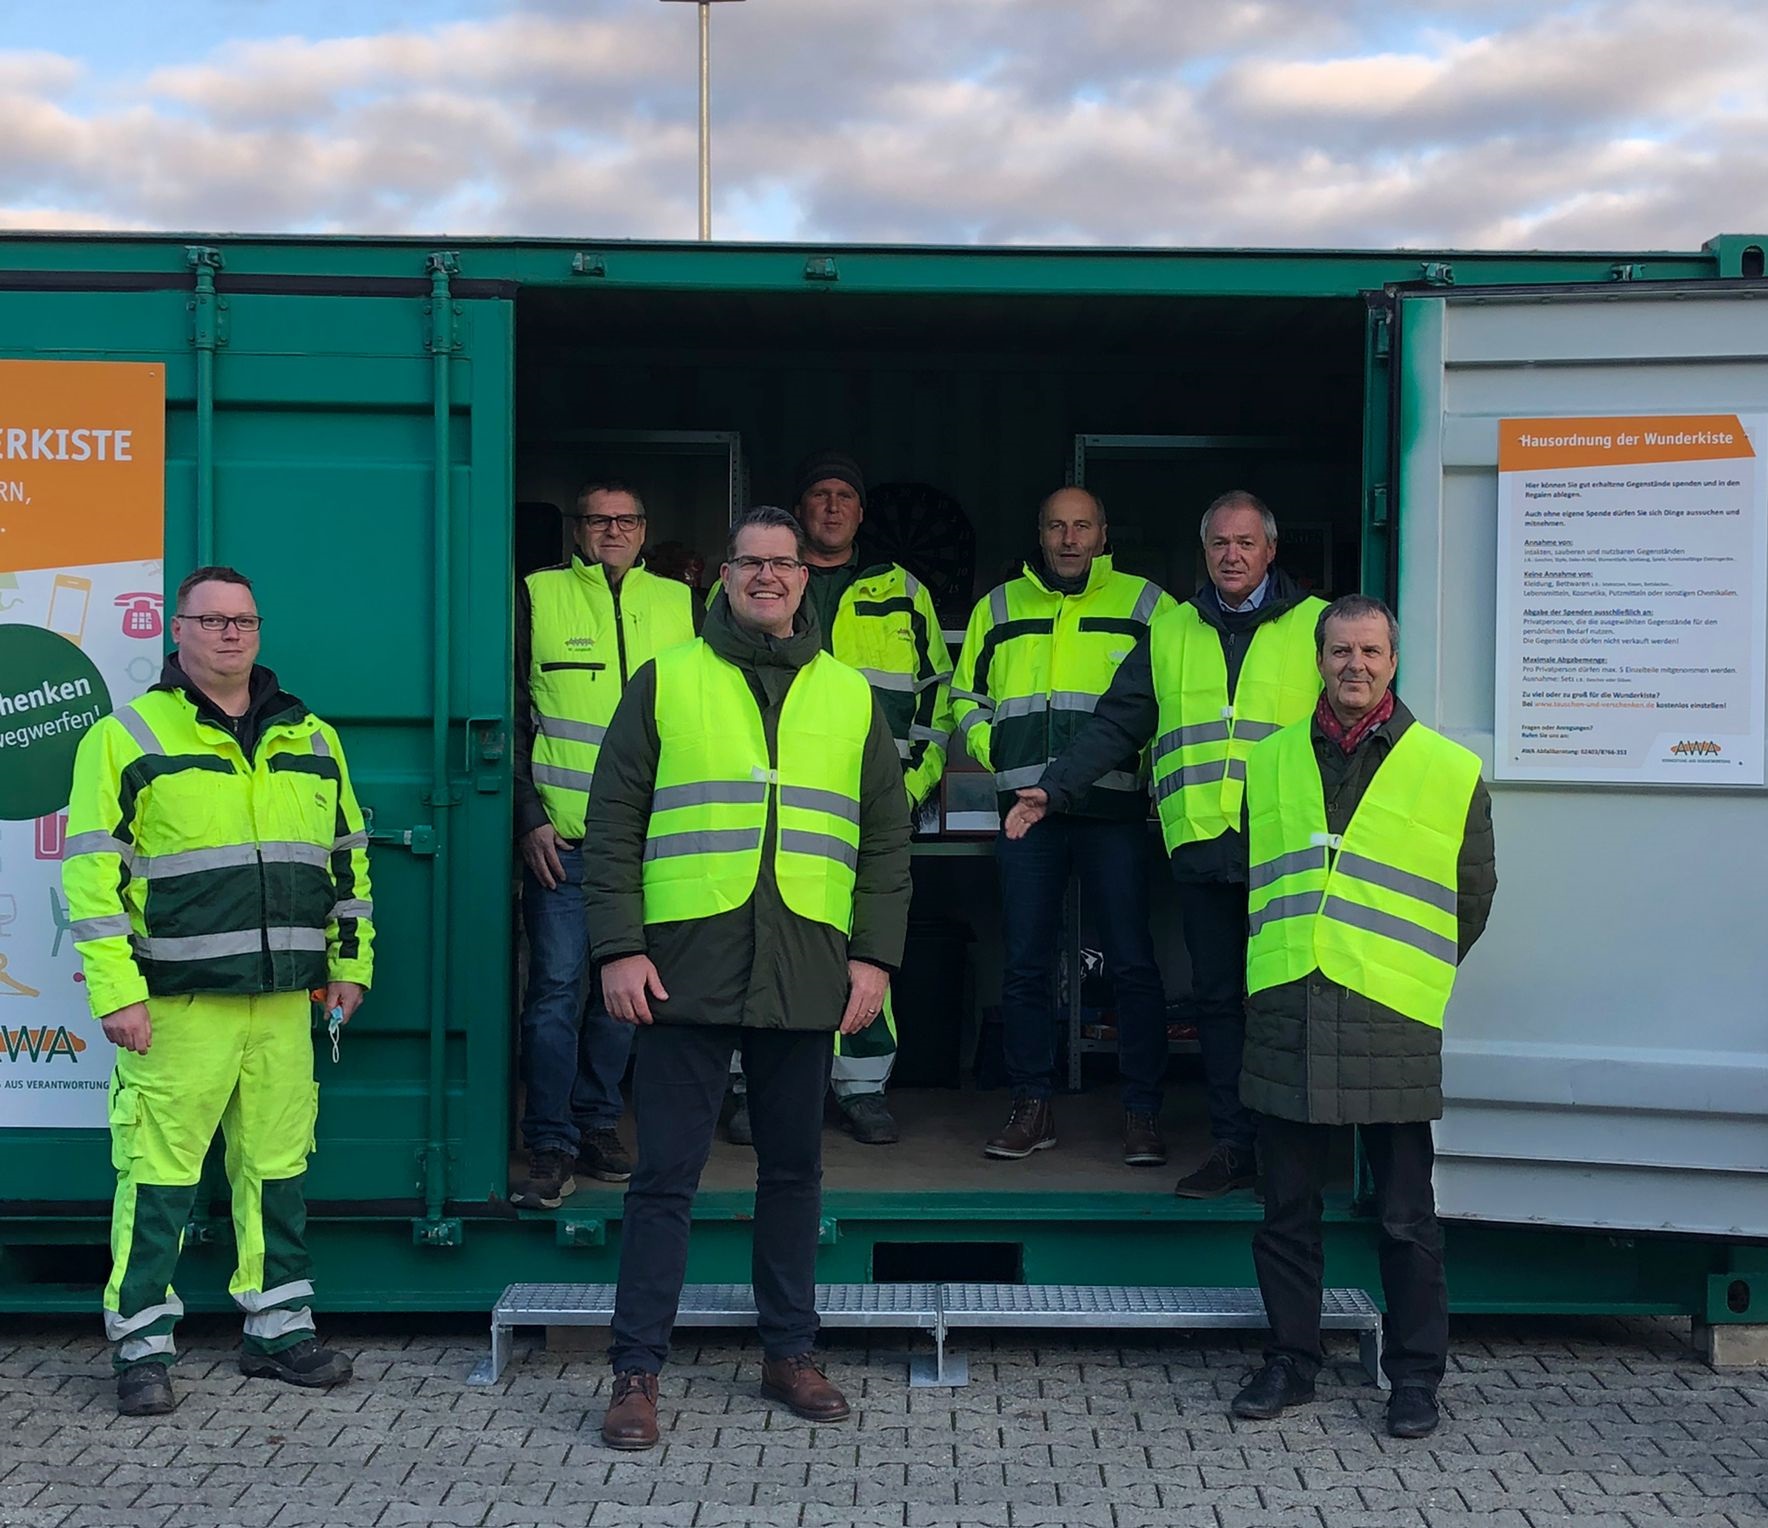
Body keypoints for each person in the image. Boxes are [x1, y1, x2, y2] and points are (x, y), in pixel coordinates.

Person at [585, 506, 911, 1450]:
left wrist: (874, 957)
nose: (768, 576)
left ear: (807, 577)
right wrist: (619, 947)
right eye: (750, 562)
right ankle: (636, 1371)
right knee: (664, 1177)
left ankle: (789, 1354)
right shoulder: (666, 681)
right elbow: (613, 824)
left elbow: (887, 839)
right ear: (721, 575)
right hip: (683, 960)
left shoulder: (850, 693)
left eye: (784, 563)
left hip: (806, 959)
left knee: (796, 1174)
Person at [63, 565, 374, 1417]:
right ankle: (141, 1344)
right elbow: (92, 880)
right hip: (176, 1004)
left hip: (284, 1004)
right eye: (212, 620)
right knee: (158, 1173)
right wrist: (115, 993)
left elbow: (348, 865)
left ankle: (278, 1330)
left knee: (278, 1167)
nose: (230, 634)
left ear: (258, 631)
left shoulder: (312, 737)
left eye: (244, 621)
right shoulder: (126, 736)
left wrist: (351, 964)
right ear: (178, 630)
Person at [1228, 595, 1495, 1440]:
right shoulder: (1270, 761)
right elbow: (1260, 877)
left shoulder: (1448, 769)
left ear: (1394, 658)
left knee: (1405, 1218)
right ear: (1318, 659)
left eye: (1372, 651)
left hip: (1390, 1021)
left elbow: (1471, 896)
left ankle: (1416, 1379)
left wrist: (1402, 969)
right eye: (1341, 651)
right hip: (1288, 1014)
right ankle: (1290, 1362)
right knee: (1286, 1212)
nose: (1357, 665)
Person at [1006, 491, 1326, 1196]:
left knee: (1286, 999)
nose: (1232, 556)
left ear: (1271, 550)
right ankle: (1233, 1146)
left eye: (1246, 543)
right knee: (1216, 1000)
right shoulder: (1174, 631)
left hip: (1289, 852)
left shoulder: (1316, 626)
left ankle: (1294, 1153)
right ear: (1204, 552)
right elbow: (1117, 724)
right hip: (1205, 845)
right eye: (1219, 544)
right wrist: (1054, 788)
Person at [726, 451, 954, 1147]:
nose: (831, 506)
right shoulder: (756, 587)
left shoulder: (901, 591)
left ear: (861, 512)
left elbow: (935, 702)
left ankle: (861, 1089)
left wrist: (909, 787)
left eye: (843, 496)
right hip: (770, 804)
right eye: (819, 493)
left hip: (869, 806)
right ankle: (748, 1087)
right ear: (801, 510)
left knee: (866, 945)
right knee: (758, 938)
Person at [950, 487, 1175, 1165]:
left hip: (1112, 809)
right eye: (1057, 526)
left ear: (1104, 533)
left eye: (1082, 526)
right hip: (1024, 811)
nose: (1070, 538)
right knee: (1024, 963)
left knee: (1133, 964)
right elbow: (965, 697)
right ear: (1041, 533)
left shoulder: (1147, 605)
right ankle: (1031, 1105)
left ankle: (1142, 1113)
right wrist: (1001, 756)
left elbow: (1173, 699)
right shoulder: (998, 606)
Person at [511, 481, 697, 1207]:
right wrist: (527, 813)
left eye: (626, 519)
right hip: (565, 838)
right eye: (598, 520)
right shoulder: (538, 594)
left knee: (627, 997)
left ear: (644, 529)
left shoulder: (682, 603)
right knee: (557, 992)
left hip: (655, 844)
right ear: (578, 531)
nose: (612, 530)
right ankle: (550, 1140)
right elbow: (508, 710)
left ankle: (596, 1122)